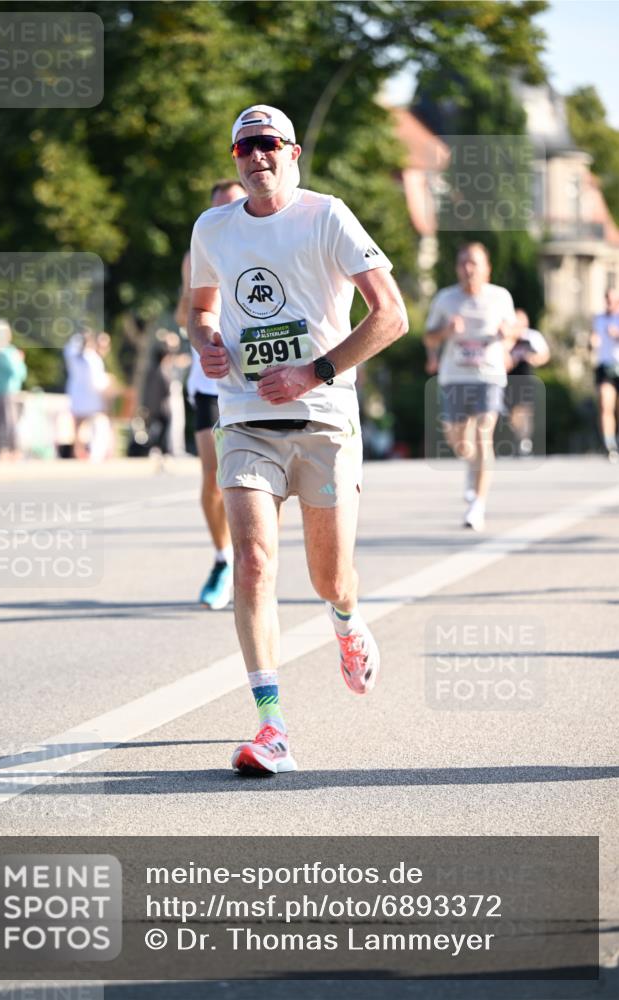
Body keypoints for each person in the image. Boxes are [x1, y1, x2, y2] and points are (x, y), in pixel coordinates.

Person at [189, 104, 408, 775]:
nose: (257, 156)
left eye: (268, 144)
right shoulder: (213, 227)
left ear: (293, 152)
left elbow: (391, 316)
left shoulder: (327, 217)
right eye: (244, 148)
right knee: (253, 562)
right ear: (235, 159)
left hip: (323, 420)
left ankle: (345, 618)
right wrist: (207, 341)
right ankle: (271, 725)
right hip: (245, 416)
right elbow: (200, 309)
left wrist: (314, 372)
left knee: (328, 578)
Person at [176, 179, 246, 610]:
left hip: (252, 378)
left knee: (257, 479)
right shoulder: (198, 252)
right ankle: (223, 559)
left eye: (233, 205)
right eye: (218, 207)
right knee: (214, 476)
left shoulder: (266, 243)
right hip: (209, 379)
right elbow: (187, 311)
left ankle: (254, 564)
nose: (226, 214)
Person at [424, 243, 515, 531]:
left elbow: (514, 331)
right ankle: (471, 468)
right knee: (461, 443)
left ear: (487, 268)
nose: (468, 268)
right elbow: (429, 338)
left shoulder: (500, 297)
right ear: (457, 268)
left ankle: (478, 504)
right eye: (463, 262)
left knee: (484, 434)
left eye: (474, 263)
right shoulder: (445, 298)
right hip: (454, 377)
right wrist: (446, 331)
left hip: (489, 375)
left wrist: (507, 334)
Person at [503, 308, 550, 456]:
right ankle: (517, 439)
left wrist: (534, 359)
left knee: (524, 410)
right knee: (511, 413)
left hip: (526, 378)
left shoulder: (532, 336)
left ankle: (524, 441)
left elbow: (545, 355)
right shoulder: (507, 336)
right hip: (509, 379)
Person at [63, 329, 110, 460]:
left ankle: (77, 451)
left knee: (78, 426)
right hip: (91, 398)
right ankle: (93, 452)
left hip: (77, 396)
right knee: (96, 424)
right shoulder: (92, 358)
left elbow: (69, 348)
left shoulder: (74, 356)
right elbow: (97, 382)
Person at [0, 319, 27, 458]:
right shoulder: (8, 353)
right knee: (9, 422)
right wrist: (20, 361)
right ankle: (11, 449)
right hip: (8, 391)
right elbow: (19, 373)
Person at [591, 288, 619, 462]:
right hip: (605, 366)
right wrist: (592, 342)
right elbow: (594, 337)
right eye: (607, 299)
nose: (609, 302)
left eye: (612, 299)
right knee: (605, 404)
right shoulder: (599, 319)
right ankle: (609, 444)